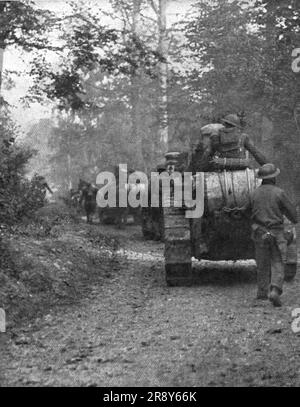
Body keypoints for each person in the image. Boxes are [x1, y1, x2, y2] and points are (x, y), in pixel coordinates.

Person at [247, 163, 298, 306]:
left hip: (260, 233)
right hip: (277, 233)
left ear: (261, 179)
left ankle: (262, 292)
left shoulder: (254, 193)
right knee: (277, 262)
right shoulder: (279, 193)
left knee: (262, 263)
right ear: (274, 177)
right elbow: (294, 217)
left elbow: (246, 213)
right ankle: (275, 290)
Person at [189, 114, 268, 172]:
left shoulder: (216, 136)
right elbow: (256, 153)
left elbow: (208, 154)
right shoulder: (243, 137)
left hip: (222, 167)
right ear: (236, 126)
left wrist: (199, 170)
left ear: (224, 124)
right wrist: (267, 165)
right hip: (241, 166)